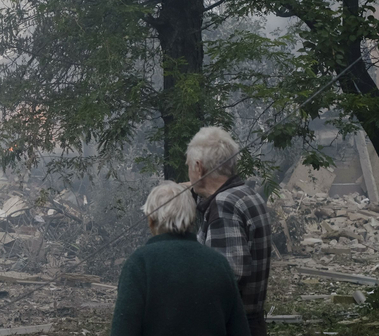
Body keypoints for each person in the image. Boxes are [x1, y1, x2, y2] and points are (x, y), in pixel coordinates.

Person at [109, 181, 250, 336]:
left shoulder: (140, 264)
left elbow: (123, 330)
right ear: (192, 218)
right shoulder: (218, 264)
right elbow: (239, 330)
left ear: (151, 220)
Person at [186, 126, 272, 336]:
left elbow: (226, 277)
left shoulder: (224, 205)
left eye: (188, 165)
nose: (187, 171)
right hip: (251, 322)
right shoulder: (246, 194)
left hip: (230, 327)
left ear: (199, 167)